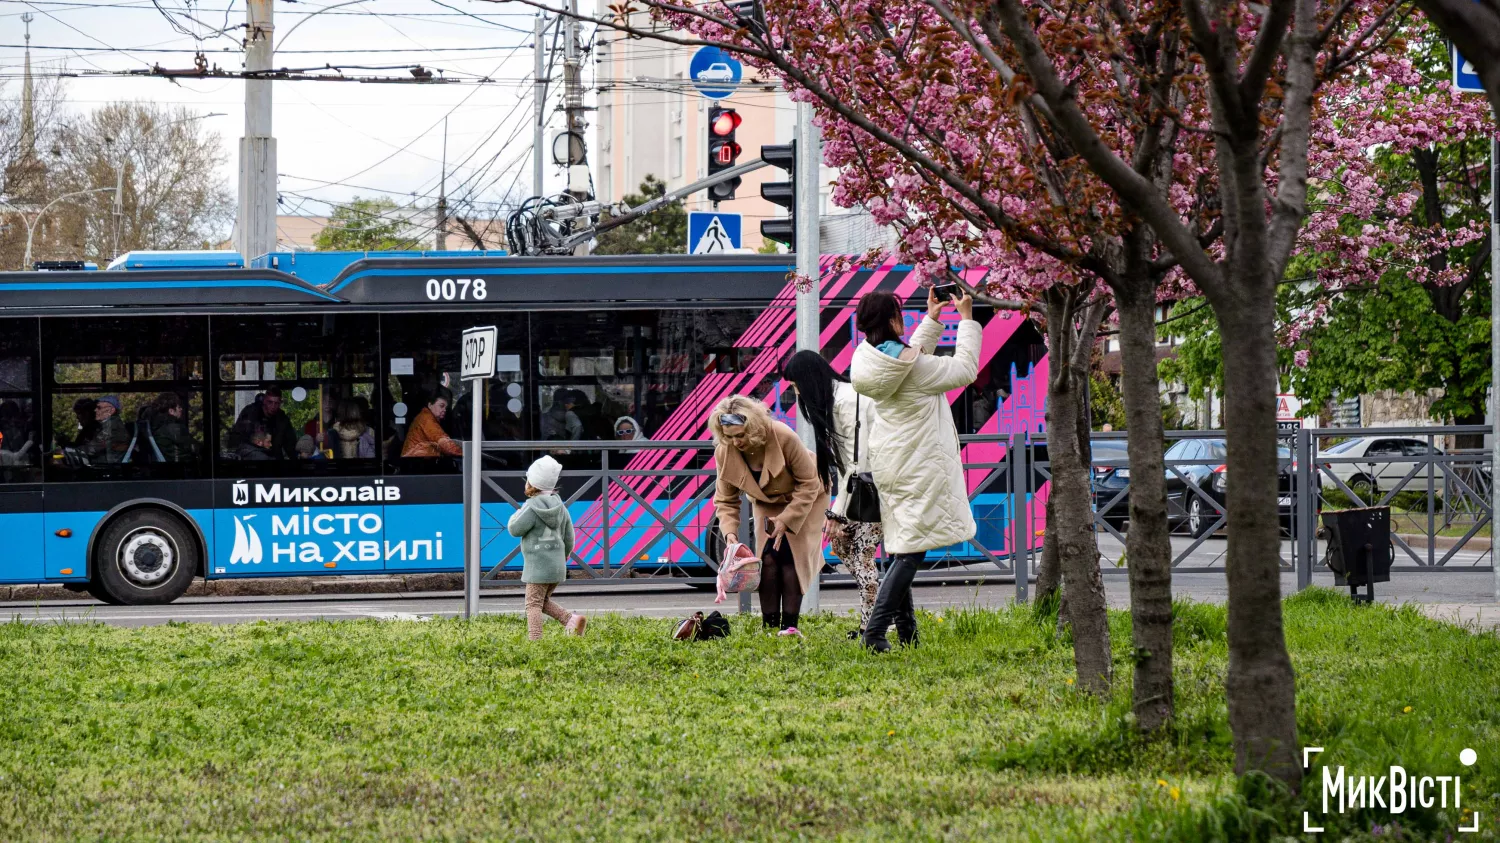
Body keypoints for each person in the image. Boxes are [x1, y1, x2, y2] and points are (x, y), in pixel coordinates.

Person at [849, 286, 981, 652]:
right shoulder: (915, 369)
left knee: (903, 546)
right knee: (911, 553)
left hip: (893, 463)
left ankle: (908, 633)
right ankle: (875, 634)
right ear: (894, 320)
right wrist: (966, 319)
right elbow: (965, 369)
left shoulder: (871, 358)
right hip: (919, 465)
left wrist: (932, 319)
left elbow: (907, 358)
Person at [782, 349, 884, 639]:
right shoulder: (834, 402)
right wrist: (838, 511)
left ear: (808, 379)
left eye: (796, 385)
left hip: (877, 490)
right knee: (841, 545)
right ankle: (883, 614)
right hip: (864, 489)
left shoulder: (848, 401)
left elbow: (857, 463)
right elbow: (845, 465)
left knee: (861, 555)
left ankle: (872, 627)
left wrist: (837, 514)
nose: (796, 393)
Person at [709, 395, 828, 636]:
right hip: (766, 500)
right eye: (728, 436)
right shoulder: (724, 450)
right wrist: (730, 533)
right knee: (768, 558)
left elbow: (809, 483)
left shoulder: (782, 435)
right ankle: (769, 627)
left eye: (740, 435)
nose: (735, 441)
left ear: (753, 427)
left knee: (791, 556)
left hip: (806, 496)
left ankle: (789, 627)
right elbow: (725, 499)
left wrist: (787, 519)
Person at [508, 455, 587, 639]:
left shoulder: (530, 507)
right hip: (557, 566)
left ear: (531, 483)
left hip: (538, 567)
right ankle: (571, 620)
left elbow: (514, 529)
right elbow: (569, 537)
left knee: (532, 605)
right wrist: (563, 556)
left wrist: (516, 514)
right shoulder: (561, 507)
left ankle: (536, 640)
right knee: (541, 601)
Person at [234, 387, 297, 459]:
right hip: (251, 457)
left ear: (280, 403)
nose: (273, 406)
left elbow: (290, 445)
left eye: (276, 403)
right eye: (270, 402)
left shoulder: (282, 419)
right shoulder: (250, 413)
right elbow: (238, 439)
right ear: (264, 401)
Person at [401, 387, 463, 458]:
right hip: (416, 460)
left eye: (446, 408)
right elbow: (444, 443)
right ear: (430, 405)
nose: (445, 410)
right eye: (441, 406)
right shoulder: (426, 419)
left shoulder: (426, 417)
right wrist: (465, 452)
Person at [82, 395, 131, 464]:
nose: (95, 410)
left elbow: (93, 448)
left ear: (111, 410)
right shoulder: (108, 425)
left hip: (107, 467)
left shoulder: (113, 427)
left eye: (99, 408)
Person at [149, 392, 195, 462]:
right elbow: (194, 447)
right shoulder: (174, 428)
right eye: (179, 407)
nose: (181, 409)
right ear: (171, 411)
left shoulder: (158, 427)